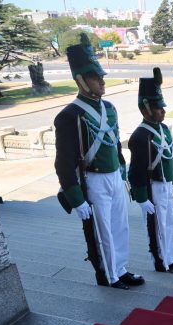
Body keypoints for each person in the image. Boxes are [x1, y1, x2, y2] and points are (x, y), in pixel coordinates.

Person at [54, 33, 144, 290]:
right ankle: (108, 275)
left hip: (114, 176)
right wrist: (76, 198)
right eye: (96, 77)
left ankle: (121, 268)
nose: (102, 81)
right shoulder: (69, 116)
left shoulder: (110, 108)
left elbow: (115, 144)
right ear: (81, 80)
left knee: (120, 226)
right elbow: (63, 162)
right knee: (102, 231)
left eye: (102, 76)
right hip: (92, 179)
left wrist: (122, 172)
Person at [128, 67, 173, 273]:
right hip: (153, 186)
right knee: (156, 226)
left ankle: (169, 256)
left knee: (168, 223)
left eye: (162, 107)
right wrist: (142, 198)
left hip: (166, 184)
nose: (162, 110)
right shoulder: (141, 136)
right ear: (145, 109)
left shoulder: (163, 130)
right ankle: (159, 259)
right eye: (157, 107)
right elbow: (136, 170)